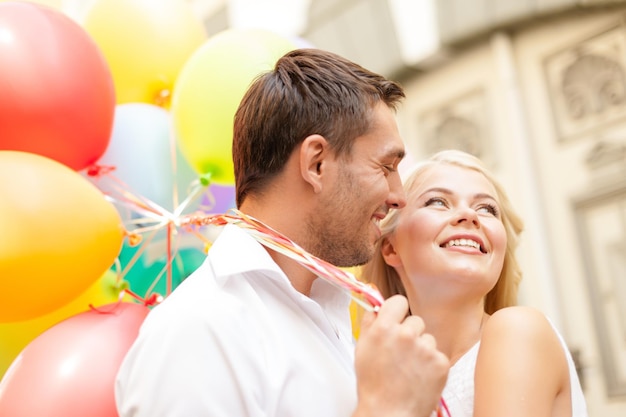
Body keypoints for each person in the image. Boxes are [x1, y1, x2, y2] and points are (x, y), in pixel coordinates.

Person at [115, 48, 450, 417]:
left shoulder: (328, 312)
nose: (399, 196)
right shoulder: (199, 331)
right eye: (385, 166)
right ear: (316, 163)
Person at [359, 149, 588, 417]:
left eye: (487, 208)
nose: (469, 215)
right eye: (437, 202)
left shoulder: (518, 330)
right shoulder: (375, 370)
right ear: (390, 249)